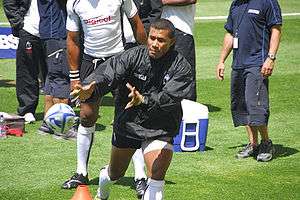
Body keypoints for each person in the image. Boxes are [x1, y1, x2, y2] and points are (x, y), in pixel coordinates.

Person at [72, 19, 193, 200]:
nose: (155, 44)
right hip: (129, 123)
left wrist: (144, 100)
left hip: (160, 125)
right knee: (115, 173)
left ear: (172, 42)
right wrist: (93, 87)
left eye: (161, 40)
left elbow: (171, 98)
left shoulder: (181, 66)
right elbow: (109, 73)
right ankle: (103, 189)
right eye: (152, 38)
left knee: (157, 173)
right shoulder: (132, 56)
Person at [61, 0, 147, 189]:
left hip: (121, 60)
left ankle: (140, 177)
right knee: (87, 116)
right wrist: (74, 75)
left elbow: (136, 23)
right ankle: (81, 173)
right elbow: (72, 38)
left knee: (130, 116)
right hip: (91, 62)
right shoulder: (74, 2)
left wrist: (146, 55)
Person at [216, 0, 282, 162]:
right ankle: (253, 144)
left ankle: (266, 143)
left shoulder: (267, 2)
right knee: (242, 105)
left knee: (256, 105)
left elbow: (276, 29)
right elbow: (230, 33)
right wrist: (222, 60)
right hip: (238, 64)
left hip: (257, 63)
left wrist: (271, 58)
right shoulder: (236, 4)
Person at [122, 0, 162, 198]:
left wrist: (146, 41)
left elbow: (155, 12)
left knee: (135, 113)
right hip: (114, 49)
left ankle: (140, 177)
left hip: (138, 46)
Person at [37, 0, 76, 139]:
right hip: (57, 33)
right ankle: (63, 129)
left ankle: (47, 124)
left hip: (49, 33)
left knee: (52, 77)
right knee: (61, 77)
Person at [3, 0, 46, 123]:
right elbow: (9, 3)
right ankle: (27, 110)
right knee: (26, 72)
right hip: (29, 31)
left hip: (53, 33)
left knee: (54, 72)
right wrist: (19, 24)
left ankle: (57, 107)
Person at [161, 0, 197, 101]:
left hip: (180, 30)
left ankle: (188, 112)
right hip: (158, 28)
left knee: (184, 74)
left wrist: (161, 2)